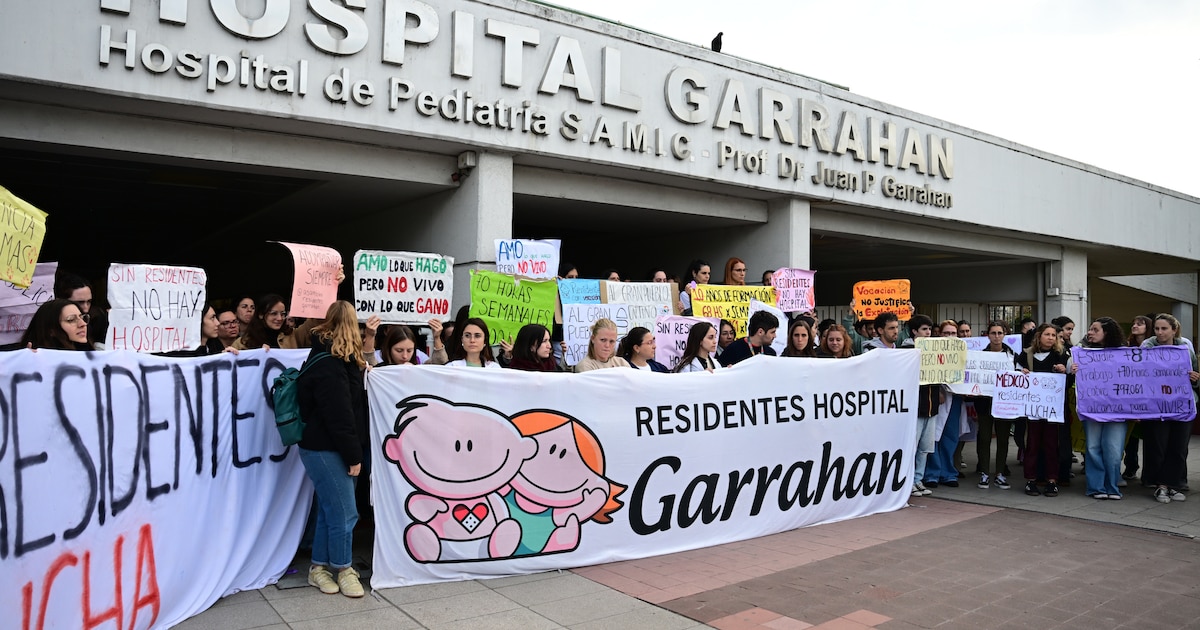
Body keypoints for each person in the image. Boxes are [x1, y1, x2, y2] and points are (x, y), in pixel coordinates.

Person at [295, 301, 366, 598]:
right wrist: (354, 456)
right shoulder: (331, 364)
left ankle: (319, 568)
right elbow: (340, 417)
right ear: (351, 327)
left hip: (321, 447)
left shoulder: (329, 358)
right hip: (327, 449)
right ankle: (343, 568)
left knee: (329, 511)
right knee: (346, 514)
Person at [1141, 314, 1199, 503]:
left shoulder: (1185, 348)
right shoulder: (1147, 348)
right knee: (1159, 445)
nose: (1159, 332)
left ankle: (1173, 484)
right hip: (1157, 405)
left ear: (1174, 330)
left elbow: (1196, 374)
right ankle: (1161, 486)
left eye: (1164, 328)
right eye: (1157, 328)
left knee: (1178, 446)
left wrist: (1195, 379)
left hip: (1183, 404)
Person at [1074, 317, 1128, 500]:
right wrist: (1070, 368)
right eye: (1090, 329)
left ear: (1107, 332)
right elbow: (1068, 369)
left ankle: (1112, 487)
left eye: (1095, 330)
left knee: (1113, 451)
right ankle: (1096, 487)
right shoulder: (1083, 353)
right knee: (1093, 448)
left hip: (1117, 411)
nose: (1090, 332)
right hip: (1093, 410)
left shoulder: (1124, 354)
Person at [1017, 324, 1070, 497]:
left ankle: (1052, 480)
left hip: (1053, 410)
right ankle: (1031, 480)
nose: (1050, 338)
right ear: (1039, 336)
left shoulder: (1061, 355)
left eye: (1053, 335)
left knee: (1051, 444)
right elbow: (1015, 376)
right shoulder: (1026, 355)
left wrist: (1066, 372)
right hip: (1032, 409)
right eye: (1047, 334)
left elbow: (1068, 382)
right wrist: (1021, 373)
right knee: (1032, 444)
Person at [924, 320, 965, 489]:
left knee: (950, 436)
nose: (949, 337)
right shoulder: (931, 351)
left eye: (953, 333)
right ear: (939, 334)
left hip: (955, 397)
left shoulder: (964, 351)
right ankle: (932, 473)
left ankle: (948, 473)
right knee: (933, 436)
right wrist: (937, 390)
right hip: (936, 397)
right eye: (946, 333)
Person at [976, 321, 1016, 490]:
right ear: (988, 335)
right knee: (984, 438)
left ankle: (999, 472)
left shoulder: (1012, 355)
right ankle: (984, 472)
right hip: (985, 403)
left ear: (1004, 334)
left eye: (1000, 333)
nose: (997, 336)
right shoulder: (980, 355)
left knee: (1003, 439)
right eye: (993, 333)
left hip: (1004, 404)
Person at [1122, 315, 1154, 480]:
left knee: (1149, 436)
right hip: (1130, 395)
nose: (1135, 326)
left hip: (1148, 397)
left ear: (1147, 327)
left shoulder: (1153, 348)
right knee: (1131, 437)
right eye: (1133, 323)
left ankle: (1150, 472)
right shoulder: (1126, 347)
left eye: (1139, 324)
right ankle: (1131, 466)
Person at [21, 298, 94, 350]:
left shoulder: (95, 357)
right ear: (51, 330)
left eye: (82, 317)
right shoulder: (34, 360)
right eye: (71, 320)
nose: (83, 324)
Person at [232, 294, 297, 350]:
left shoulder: (293, 335)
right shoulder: (242, 342)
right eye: (274, 313)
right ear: (261, 315)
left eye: (282, 314)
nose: (279, 318)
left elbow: (307, 326)